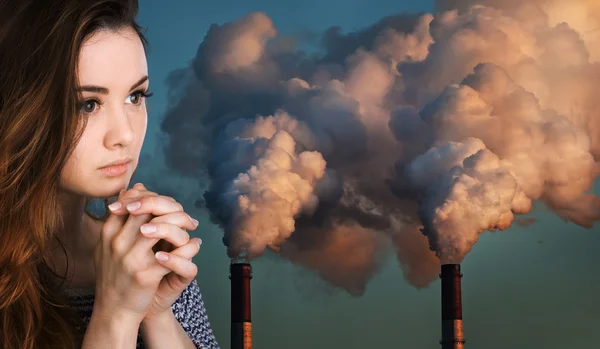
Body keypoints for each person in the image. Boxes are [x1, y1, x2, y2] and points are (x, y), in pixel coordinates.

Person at [0, 0, 220, 348]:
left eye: (135, 96)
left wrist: (156, 313)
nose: (126, 136)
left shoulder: (148, 252)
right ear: (21, 110)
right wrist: (115, 313)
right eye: (88, 104)